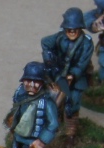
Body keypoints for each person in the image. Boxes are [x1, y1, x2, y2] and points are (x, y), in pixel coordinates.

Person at [39, 7, 93, 136]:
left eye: (75, 29)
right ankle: (54, 123)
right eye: (69, 29)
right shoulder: (60, 37)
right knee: (52, 99)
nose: (72, 32)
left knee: (73, 101)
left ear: (80, 28)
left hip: (76, 79)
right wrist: (50, 61)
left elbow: (83, 62)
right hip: (58, 75)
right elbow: (45, 43)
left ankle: (70, 130)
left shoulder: (86, 43)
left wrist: (72, 74)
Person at [5, 61, 60, 148]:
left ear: (42, 83)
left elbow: (53, 124)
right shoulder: (20, 94)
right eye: (28, 81)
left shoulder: (46, 102)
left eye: (36, 82)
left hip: (33, 141)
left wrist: (41, 140)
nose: (32, 85)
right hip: (18, 137)